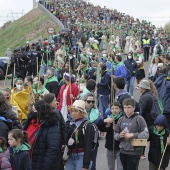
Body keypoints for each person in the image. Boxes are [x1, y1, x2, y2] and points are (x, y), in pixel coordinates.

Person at [23, 100, 62, 169]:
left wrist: (44, 167)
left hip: (41, 164)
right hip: (31, 162)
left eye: (34, 110)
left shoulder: (52, 128)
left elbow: (52, 150)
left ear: (40, 112)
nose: (32, 112)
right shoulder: (31, 122)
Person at [114, 98, 149, 170]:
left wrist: (133, 135)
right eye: (125, 107)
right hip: (123, 150)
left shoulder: (139, 119)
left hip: (134, 151)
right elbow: (115, 133)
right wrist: (119, 136)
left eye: (129, 107)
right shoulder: (121, 119)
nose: (127, 110)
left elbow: (146, 134)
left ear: (134, 107)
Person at [65, 100, 95, 170]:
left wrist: (85, 165)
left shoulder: (88, 125)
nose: (73, 113)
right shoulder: (71, 124)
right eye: (72, 111)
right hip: (71, 155)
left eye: (76, 111)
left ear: (82, 113)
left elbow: (88, 145)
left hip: (82, 156)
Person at [98, 102, 123, 170]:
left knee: (120, 167)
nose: (114, 110)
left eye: (116, 108)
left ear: (120, 109)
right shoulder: (108, 117)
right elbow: (100, 127)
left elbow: (126, 130)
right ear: (110, 110)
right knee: (111, 167)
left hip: (120, 146)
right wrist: (105, 122)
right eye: (112, 108)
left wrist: (117, 129)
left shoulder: (123, 118)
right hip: (110, 145)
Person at [81, 93, 100, 170]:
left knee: (92, 165)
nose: (91, 103)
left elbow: (101, 124)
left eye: (93, 102)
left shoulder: (96, 112)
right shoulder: (79, 111)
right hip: (81, 142)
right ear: (84, 101)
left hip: (93, 143)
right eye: (89, 101)